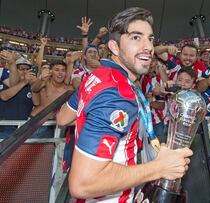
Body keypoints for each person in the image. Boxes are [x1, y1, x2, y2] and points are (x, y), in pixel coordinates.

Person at [68, 7, 192, 202]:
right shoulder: (117, 93)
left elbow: (63, 117)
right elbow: (82, 183)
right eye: (136, 37)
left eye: (150, 39)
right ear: (114, 47)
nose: (148, 47)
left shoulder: (96, 76)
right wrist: (160, 167)